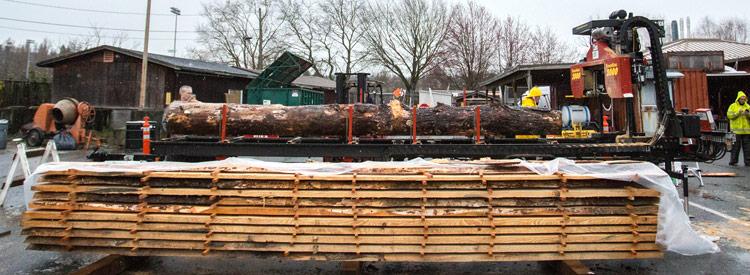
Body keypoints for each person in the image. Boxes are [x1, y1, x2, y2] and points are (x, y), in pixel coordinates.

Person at [727, 91, 750, 166]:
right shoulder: (733, 106)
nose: (743, 100)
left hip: (746, 132)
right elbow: (729, 115)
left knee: (747, 148)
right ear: (738, 99)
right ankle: (733, 161)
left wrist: (748, 114)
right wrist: (738, 113)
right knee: (735, 147)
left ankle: (748, 162)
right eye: (741, 99)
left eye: (744, 99)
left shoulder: (748, 106)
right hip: (736, 131)